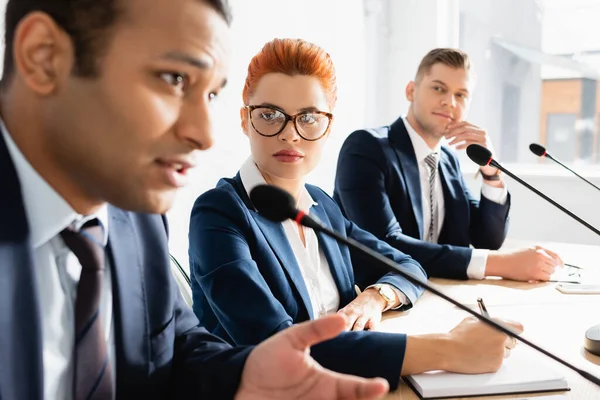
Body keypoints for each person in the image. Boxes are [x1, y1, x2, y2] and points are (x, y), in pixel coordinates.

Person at [0, 0, 393, 399]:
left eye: (210, 95)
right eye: (174, 79)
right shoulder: (211, 208)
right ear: (43, 57)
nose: (205, 134)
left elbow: (176, 349)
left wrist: (244, 374)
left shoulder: (134, 217)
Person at [189, 38, 523, 392]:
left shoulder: (321, 207)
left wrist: (375, 296)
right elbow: (280, 347)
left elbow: (407, 266)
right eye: (270, 115)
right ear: (245, 119)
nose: (290, 134)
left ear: (328, 126)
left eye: (309, 117)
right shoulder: (218, 214)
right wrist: (449, 349)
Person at [334, 48, 563, 282]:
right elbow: (385, 245)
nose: (450, 102)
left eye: (461, 95)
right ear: (411, 91)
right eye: (438, 88)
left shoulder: (448, 161)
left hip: (441, 291)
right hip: (377, 296)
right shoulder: (366, 148)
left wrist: (491, 172)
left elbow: (487, 239)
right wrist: (502, 265)